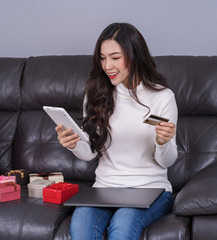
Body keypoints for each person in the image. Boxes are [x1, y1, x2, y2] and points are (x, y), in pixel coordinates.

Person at [55, 22, 178, 240]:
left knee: (122, 227)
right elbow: (91, 153)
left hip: (150, 188)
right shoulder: (96, 94)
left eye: (115, 57)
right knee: (81, 226)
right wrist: (74, 144)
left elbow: (166, 161)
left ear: (134, 55)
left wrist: (163, 142)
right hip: (105, 188)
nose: (107, 66)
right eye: (102, 58)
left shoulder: (162, 97)